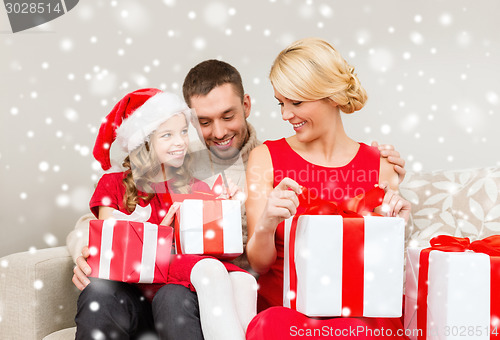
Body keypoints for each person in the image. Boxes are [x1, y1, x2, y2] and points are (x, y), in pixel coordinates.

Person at [67, 60, 407, 339]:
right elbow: (107, 211)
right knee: (99, 292)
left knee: (177, 297)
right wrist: (88, 251)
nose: (218, 132)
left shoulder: (273, 159)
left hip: (205, 291)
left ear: (246, 105)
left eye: (228, 116)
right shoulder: (177, 161)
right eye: (203, 122)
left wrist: (385, 182)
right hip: (158, 277)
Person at [244, 37, 411, 339]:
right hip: (289, 317)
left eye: (296, 102)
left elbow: (380, 268)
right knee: (273, 326)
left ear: (332, 96)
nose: (285, 115)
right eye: (281, 103)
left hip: (358, 315)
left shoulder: (382, 166)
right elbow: (259, 263)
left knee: (362, 329)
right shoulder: (264, 158)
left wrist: (398, 225)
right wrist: (268, 223)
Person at [75, 88, 256, 340]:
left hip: (176, 299)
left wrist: (224, 209)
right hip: (130, 300)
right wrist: (158, 236)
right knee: (99, 291)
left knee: (173, 296)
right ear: (144, 142)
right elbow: (111, 247)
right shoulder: (113, 184)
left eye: (183, 131)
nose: (181, 142)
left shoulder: (197, 188)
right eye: (168, 135)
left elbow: (214, 248)